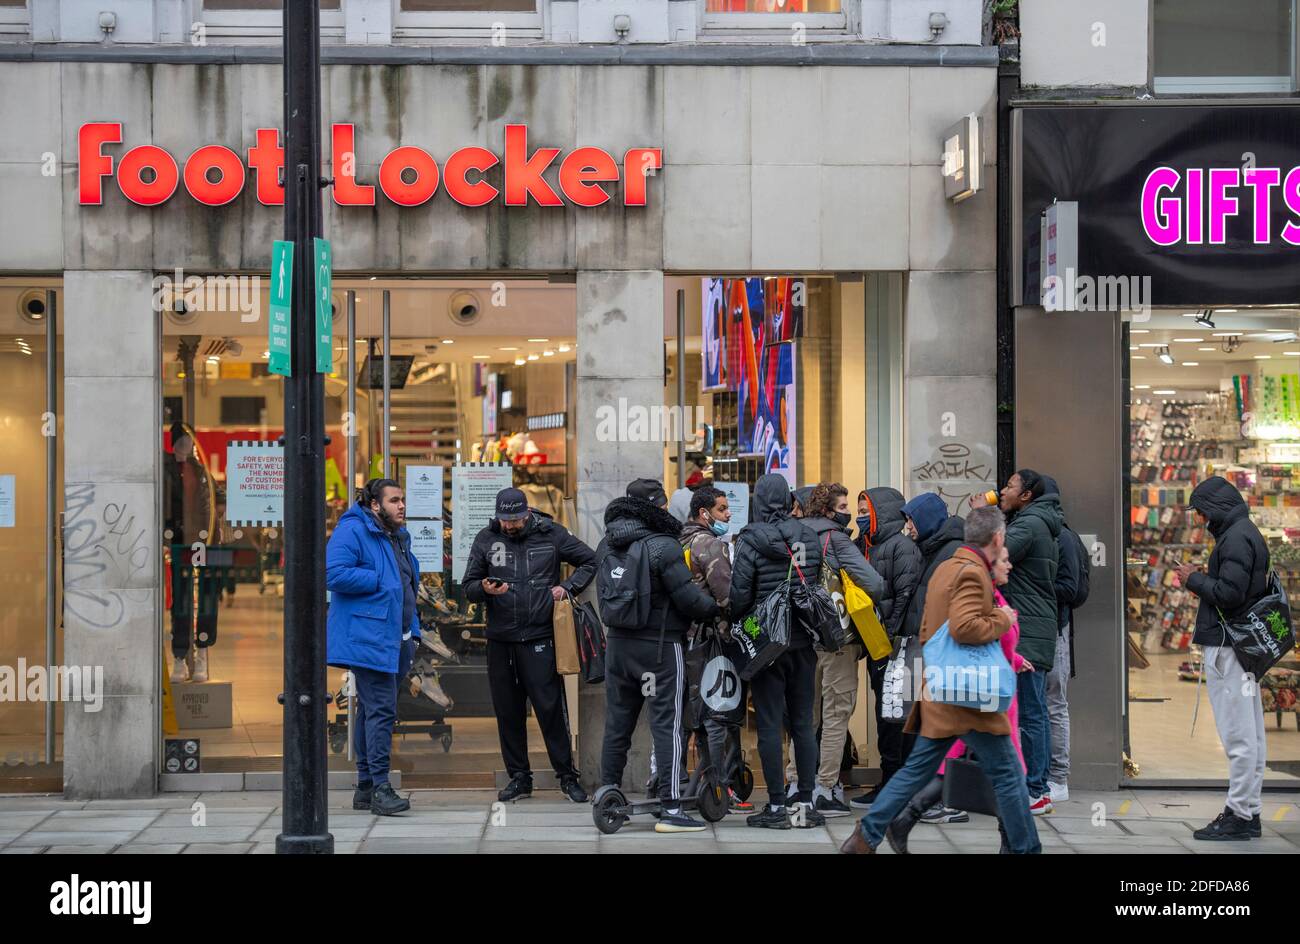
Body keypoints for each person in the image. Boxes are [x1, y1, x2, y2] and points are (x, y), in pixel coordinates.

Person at [839, 505, 1041, 854]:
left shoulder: (946, 567)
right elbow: (965, 627)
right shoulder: (972, 573)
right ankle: (1026, 850)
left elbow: (934, 627)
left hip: (944, 688)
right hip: (971, 696)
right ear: (996, 539)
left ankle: (866, 835)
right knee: (1008, 776)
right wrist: (1003, 619)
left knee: (915, 770)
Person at [883, 542, 1032, 850]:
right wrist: (1007, 626)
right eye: (1004, 560)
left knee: (954, 767)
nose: (1009, 565)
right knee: (1010, 776)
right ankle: (1013, 845)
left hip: (979, 694)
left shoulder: (992, 594)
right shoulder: (988, 596)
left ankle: (903, 820)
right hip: (988, 698)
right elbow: (980, 640)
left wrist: (1016, 659)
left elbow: (990, 646)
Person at [597, 478, 721, 833]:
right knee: (667, 724)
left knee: (617, 725)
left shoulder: (607, 543)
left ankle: (608, 794)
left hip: (618, 646)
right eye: (663, 504)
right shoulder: (663, 546)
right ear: (656, 507)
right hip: (660, 648)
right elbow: (687, 598)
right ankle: (670, 808)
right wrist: (714, 609)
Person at [463, 487, 597, 804]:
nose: (510, 525)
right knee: (508, 713)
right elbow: (468, 586)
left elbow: (591, 561)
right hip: (500, 640)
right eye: (504, 520)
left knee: (550, 710)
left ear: (527, 513)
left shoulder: (552, 534)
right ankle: (519, 779)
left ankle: (567, 777)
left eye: (515, 519)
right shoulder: (486, 538)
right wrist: (483, 588)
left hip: (540, 637)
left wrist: (567, 587)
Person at [729, 473, 826, 830]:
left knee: (769, 725)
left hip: (768, 645)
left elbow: (739, 596)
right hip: (804, 642)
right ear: (787, 501)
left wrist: (745, 622)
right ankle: (805, 803)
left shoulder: (752, 540)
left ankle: (775, 806)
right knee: (803, 722)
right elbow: (814, 584)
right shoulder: (810, 537)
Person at [1177, 476, 1269, 841]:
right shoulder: (1246, 532)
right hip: (1243, 648)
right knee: (1251, 732)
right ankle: (1250, 809)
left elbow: (1229, 594)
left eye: (1201, 511)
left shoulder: (1234, 538)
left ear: (1214, 508)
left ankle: (1239, 813)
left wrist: (1193, 579)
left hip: (1229, 648)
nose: (1200, 519)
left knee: (1238, 734)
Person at [326, 479, 422, 816]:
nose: (402, 506)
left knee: (370, 710)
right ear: (375, 505)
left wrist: (415, 630)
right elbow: (333, 574)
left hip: (396, 637)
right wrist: (379, 580)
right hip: (370, 637)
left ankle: (366, 787)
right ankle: (380, 787)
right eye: (394, 500)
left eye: (403, 500)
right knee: (381, 710)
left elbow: (410, 583)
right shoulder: (353, 530)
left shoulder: (397, 535)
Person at [795, 482, 885, 817]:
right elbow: (873, 583)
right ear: (831, 510)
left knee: (807, 715)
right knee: (836, 714)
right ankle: (825, 788)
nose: (848, 510)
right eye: (844, 504)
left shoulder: (795, 536)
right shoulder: (836, 539)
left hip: (803, 640)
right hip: (837, 638)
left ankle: (794, 784)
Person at [679, 485, 750, 812]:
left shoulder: (681, 541)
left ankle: (687, 781)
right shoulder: (709, 544)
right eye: (722, 509)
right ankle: (717, 785)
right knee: (717, 714)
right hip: (713, 641)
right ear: (704, 513)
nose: (729, 514)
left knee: (693, 713)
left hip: (688, 640)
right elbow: (726, 596)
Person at [852, 487, 923, 806]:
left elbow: (905, 594)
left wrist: (887, 637)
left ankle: (896, 783)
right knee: (886, 713)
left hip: (893, 646)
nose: (860, 517)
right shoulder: (863, 546)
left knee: (896, 716)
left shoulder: (902, 547)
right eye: (858, 510)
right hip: (875, 644)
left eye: (866, 511)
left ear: (883, 512)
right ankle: (891, 780)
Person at [999, 469, 1063, 816]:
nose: (1003, 490)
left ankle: (1035, 789)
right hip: (1032, 626)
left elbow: (993, 556)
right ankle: (1033, 787)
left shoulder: (1028, 525)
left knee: (1030, 711)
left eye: (1010, 485)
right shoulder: (1038, 522)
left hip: (1026, 630)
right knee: (1031, 710)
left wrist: (984, 519)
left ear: (1026, 495)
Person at [1040, 474, 1088, 804]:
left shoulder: (1064, 539)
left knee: (1054, 704)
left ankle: (1059, 778)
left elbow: (1071, 590)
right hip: (1043, 630)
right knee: (1042, 706)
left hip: (1055, 631)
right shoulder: (1049, 534)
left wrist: (1034, 589)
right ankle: (1046, 775)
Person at [164, 422, 216, 684]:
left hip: (199, 542)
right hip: (177, 543)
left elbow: (209, 504)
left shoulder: (200, 470)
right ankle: (180, 655)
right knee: (181, 601)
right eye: (181, 440)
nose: (186, 445)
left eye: (189, 440)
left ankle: (202, 653)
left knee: (204, 599)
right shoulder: (166, 469)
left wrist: (208, 535)